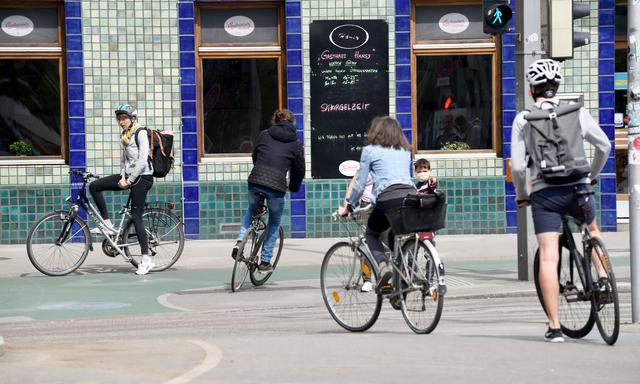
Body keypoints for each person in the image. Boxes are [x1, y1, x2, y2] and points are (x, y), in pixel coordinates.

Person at [510, 59, 611, 343]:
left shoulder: (523, 119)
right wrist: (590, 176)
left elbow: (518, 166)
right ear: (557, 87)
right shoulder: (576, 113)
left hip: (546, 194)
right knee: (592, 231)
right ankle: (603, 277)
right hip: (578, 188)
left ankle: (555, 326)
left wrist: (523, 194)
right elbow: (604, 146)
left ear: (532, 90)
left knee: (549, 255)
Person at [338, 116, 415, 292]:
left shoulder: (369, 150)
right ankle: (402, 279)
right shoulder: (404, 150)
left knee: (371, 234)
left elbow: (359, 183)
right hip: (410, 197)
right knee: (393, 237)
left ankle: (383, 268)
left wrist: (349, 206)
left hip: (387, 198)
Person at [232, 109, 305, 272]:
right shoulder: (296, 143)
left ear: (275, 121)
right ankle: (265, 262)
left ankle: (239, 242)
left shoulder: (265, 134)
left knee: (251, 209)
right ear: (292, 123)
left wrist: (259, 171)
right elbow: (299, 170)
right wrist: (293, 187)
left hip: (256, 179)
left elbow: (255, 154)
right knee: (274, 222)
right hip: (276, 185)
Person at [89, 104, 155, 275]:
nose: (121, 121)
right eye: (119, 118)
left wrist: (130, 180)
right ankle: (107, 223)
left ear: (132, 118)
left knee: (136, 216)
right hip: (130, 176)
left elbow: (142, 161)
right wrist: (123, 177)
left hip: (143, 177)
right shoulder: (125, 135)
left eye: (124, 118)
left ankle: (146, 259)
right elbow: (124, 160)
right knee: (95, 186)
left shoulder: (140, 133)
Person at [414, 158, 438, 245]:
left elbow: (432, 187)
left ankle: (429, 257)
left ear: (430, 170)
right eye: (419, 172)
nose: (422, 174)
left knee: (428, 238)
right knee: (415, 240)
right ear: (415, 172)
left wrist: (433, 180)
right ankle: (411, 257)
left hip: (429, 217)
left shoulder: (430, 182)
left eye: (424, 171)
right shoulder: (415, 186)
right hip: (418, 218)